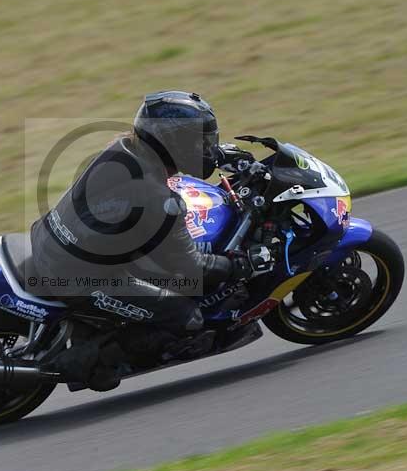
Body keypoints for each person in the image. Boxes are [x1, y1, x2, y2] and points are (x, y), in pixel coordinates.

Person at [31, 90, 273, 388]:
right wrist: (237, 265)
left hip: (55, 241)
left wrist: (220, 154)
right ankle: (88, 362)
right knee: (187, 317)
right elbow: (191, 268)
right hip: (76, 277)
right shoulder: (159, 199)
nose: (206, 149)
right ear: (176, 144)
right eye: (200, 142)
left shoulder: (123, 149)